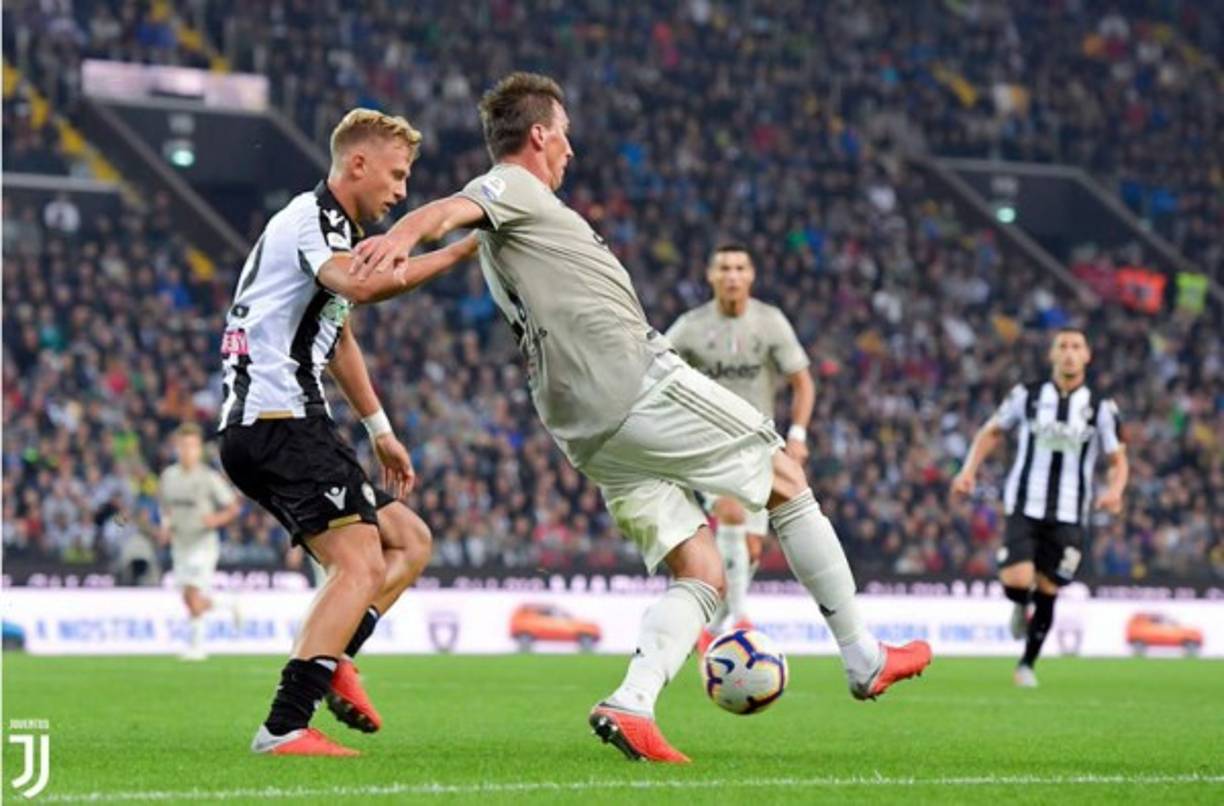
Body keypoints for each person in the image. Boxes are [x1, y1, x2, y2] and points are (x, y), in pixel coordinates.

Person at [353, 72, 931, 763]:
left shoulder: (518, 223)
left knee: (701, 570)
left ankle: (632, 702)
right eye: (563, 135)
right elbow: (453, 206)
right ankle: (863, 656)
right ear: (539, 135)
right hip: (631, 384)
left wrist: (415, 248)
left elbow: (464, 228)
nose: (570, 150)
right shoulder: (514, 186)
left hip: (584, 427)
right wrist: (404, 233)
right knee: (783, 475)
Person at [218, 108, 476, 756]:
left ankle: (332, 659)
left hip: (290, 421)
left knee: (409, 540)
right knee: (360, 561)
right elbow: (355, 286)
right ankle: (283, 726)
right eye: (396, 174)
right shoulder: (312, 220)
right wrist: (460, 249)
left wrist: (380, 428)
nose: (402, 191)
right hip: (277, 420)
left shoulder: (332, 230)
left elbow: (339, 339)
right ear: (355, 164)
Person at [951, 327, 1128, 687]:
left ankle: (1026, 665)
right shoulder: (1027, 395)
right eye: (1062, 346)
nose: (1069, 353)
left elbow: (1117, 458)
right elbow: (991, 432)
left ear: (1087, 355)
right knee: (1017, 580)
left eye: (1076, 346)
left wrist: (1115, 491)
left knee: (1049, 588)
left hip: (1070, 512)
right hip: (1024, 503)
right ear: (1051, 354)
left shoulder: (1101, 406)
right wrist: (968, 470)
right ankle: (1019, 603)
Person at [665, 244, 814, 651]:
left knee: (749, 549)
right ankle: (740, 617)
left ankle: (711, 626)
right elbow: (657, 369)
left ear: (751, 276)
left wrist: (797, 435)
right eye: (724, 268)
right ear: (711, 276)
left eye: (740, 268)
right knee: (729, 510)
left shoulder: (770, 322)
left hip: (759, 444)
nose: (732, 275)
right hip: (708, 444)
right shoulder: (691, 326)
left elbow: (802, 382)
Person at [157, 423, 241, 659]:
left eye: (192, 446)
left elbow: (233, 506)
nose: (187, 450)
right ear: (176, 448)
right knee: (187, 596)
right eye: (183, 445)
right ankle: (226, 604)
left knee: (193, 592)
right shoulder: (168, 476)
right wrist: (165, 527)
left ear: (199, 449)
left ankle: (197, 647)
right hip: (180, 541)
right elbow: (165, 507)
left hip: (202, 541)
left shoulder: (208, 477)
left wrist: (216, 519)